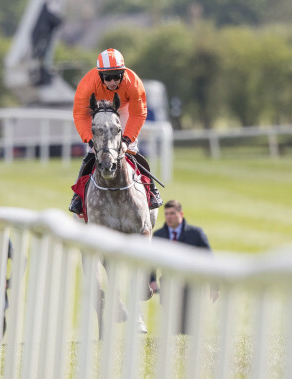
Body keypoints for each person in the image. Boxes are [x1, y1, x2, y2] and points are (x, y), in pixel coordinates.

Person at [68, 48, 163, 214]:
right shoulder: (87, 84)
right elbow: (80, 115)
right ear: (100, 75)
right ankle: (78, 196)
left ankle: (152, 191)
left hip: (124, 109)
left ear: (123, 73)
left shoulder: (133, 82)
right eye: (108, 77)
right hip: (99, 111)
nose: (113, 82)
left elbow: (138, 113)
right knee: (92, 152)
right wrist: (90, 140)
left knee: (132, 149)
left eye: (117, 76)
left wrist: (126, 140)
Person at [151, 200, 219, 334]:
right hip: (168, 284)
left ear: (180, 214)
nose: (169, 217)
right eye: (166, 214)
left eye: (172, 213)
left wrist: (214, 286)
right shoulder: (159, 236)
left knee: (190, 322)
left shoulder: (196, 234)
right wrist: (152, 280)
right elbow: (151, 261)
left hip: (191, 284)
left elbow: (209, 259)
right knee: (172, 321)